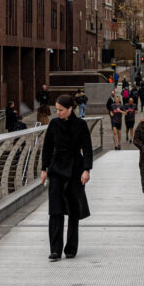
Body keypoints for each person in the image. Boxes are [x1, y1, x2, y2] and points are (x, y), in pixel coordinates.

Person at [40, 94, 93, 260]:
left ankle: (70, 248)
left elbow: (87, 148)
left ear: (70, 109)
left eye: (61, 110)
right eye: (57, 110)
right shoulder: (54, 124)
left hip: (75, 170)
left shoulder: (81, 125)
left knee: (73, 211)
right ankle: (55, 249)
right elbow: (47, 147)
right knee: (55, 210)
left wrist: (86, 170)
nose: (58, 113)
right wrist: (44, 169)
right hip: (56, 169)